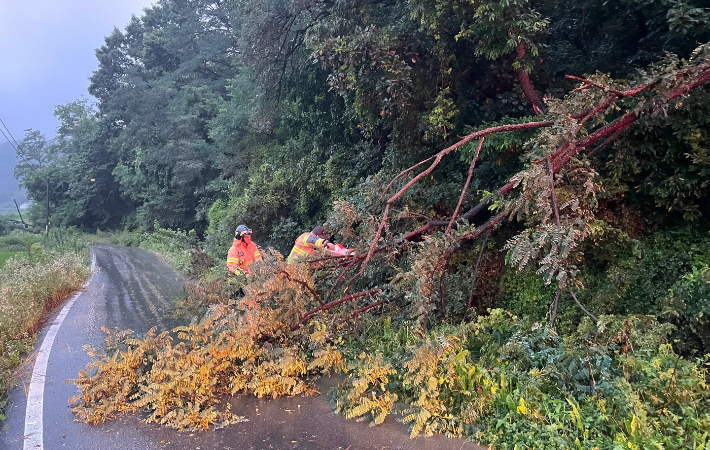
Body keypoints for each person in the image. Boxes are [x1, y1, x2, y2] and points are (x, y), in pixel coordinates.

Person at [287, 225, 352, 262]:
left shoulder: (316, 250)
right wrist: (325, 243)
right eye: (321, 238)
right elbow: (312, 240)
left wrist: (343, 256)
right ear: (316, 236)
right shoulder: (304, 237)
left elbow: (329, 253)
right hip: (289, 270)